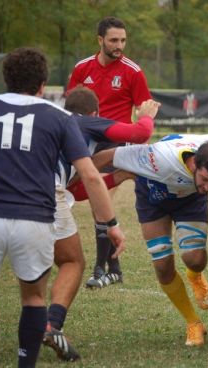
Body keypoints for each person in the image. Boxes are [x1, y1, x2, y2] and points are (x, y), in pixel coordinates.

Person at [0, 47, 125, 368]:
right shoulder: (60, 117)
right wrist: (110, 223)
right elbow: (92, 177)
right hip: (34, 221)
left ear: (5, 79)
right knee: (33, 298)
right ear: (43, 83)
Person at [0, 87, 159, 365]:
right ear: (94, 113)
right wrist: (145, 116)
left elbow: (81, 183)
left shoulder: (39, 119)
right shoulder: (81, 121)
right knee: (72, 261)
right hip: (44, 191)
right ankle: (52, 324)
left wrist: (117, 176)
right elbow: (139, 134)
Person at [81, 132, 208, 347]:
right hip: (153, 201)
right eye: (204, 180)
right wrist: (76, 176)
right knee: (163, 265)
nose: (207, 188)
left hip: (189, 202)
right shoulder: (157, 157)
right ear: (194, 162)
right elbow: (108, 155)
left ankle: (195, 275)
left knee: (195, 259)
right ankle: (193, 323)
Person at [68, 16, 152, 288]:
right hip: (85, 142)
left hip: (116, 143)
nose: (119, 46)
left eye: (123, 40)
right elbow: (72, 106)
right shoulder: (82, 68)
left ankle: (99, 269)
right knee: (96, 203)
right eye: (114, 40)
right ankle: (114, 269)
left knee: (99, 202)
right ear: (100, 40)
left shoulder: (132, 71)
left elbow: (145, 110)